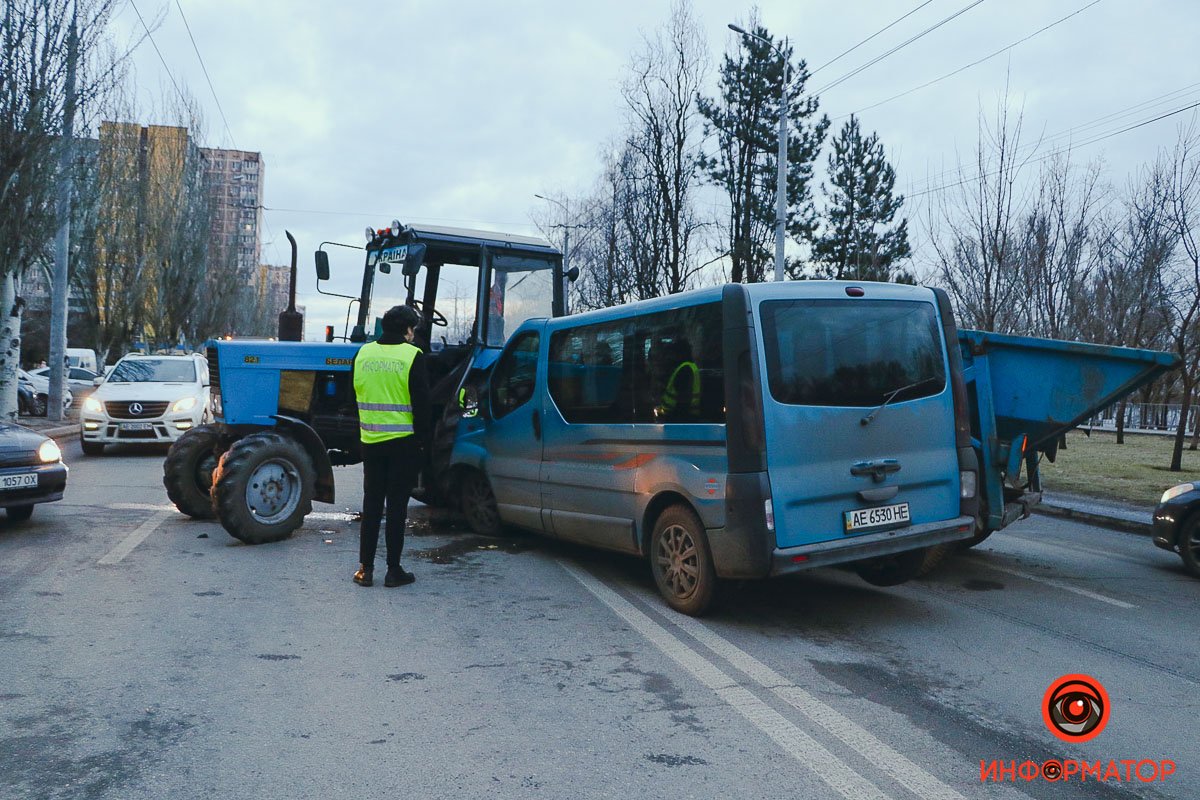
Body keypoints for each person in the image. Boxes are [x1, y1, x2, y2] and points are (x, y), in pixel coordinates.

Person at [351, 304, 430, 588]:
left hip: (370, 442)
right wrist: (423, 445)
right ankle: (393, 570)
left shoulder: (363, 354)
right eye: (413, 330)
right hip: (403, 445)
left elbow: (355, 394)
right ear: (408, 330)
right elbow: (422, 405)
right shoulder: (412, 356)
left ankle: (365, 569)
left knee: (371, 505)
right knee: (396, 507)